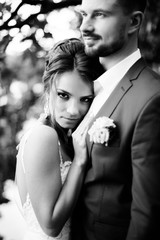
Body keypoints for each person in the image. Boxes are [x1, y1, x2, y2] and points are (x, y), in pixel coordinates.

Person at [71, 0, 160, 240]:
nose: (85, 27)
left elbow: (147, 215)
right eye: (83, 14)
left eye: (99, 15)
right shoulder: (84, 88)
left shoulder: (152, 98)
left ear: (134, 22)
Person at [14, 38, 104, 240]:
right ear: (48, 87)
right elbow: (51, 225)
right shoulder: (44, 136)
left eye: (85, 99)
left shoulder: (62, 137)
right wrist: (80, 161)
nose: (73, 111)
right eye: (64, 95)